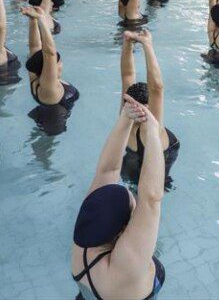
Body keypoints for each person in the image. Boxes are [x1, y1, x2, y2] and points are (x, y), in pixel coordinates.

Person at [71, 94, 165, 300]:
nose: (135, 198)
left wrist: (126, 118)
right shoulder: (126, 266)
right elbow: (150, 199)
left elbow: (107, 171)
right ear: (122, 230)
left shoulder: (84, 240)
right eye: (132, 204)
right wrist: (153, 133)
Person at [120, 30, 179, 188]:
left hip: (146, 157)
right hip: (142, 158)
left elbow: (154, 87)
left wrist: (137, 44)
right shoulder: (141, 121)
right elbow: (154, 87)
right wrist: (137, 43)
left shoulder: (138, 120)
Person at [22, 5, 79, 108]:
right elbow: (50, 53)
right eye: (59, 61)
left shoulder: (35, 73)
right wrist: (41, 19)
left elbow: (35, 46)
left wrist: (33, 19)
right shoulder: (49, 89)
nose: (61, 63)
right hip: (54, 123)